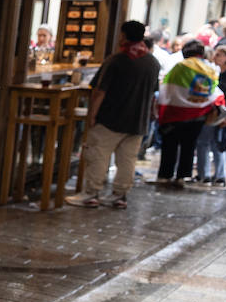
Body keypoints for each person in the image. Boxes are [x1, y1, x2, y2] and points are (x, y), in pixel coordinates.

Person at [67, 21, 160, 209]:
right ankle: (119, 195)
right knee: (127, 160)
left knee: (98, 155)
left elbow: (100, 91)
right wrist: (151, 113)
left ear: (123, 35)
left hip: (111, 118)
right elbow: (153, 93)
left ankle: (91, 194)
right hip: (138, 121)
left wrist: (92, 115)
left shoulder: (116, 60)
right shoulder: (152, 62)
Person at [155, 39, 220, 187]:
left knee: (170, 145)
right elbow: (212, 91)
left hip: (175, 113)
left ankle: (165, 175)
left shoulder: (180, 67)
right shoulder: (209, 69)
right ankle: (182, 176)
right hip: (198, 114)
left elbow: (168, 88)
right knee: (189, 146)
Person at [194, 45, 226, 186]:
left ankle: (209, 174)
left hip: (223, 111)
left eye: (219, 54)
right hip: (217, 109)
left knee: (211, 142)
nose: (215, 56)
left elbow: (220, 90)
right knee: (214, 142)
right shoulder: (218, 70)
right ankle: (213, 175)